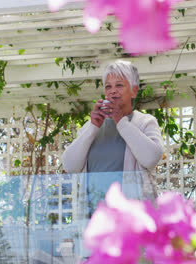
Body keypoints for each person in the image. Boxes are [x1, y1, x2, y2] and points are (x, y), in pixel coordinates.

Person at [61, 60, 164, 205]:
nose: (113, 90)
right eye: (108, 86)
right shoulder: (90, 127)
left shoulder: (145, 122)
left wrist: (121, 121)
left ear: (134, 91)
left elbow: (151, 158)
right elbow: (70, 166)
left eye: (119, 85)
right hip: (96, 216)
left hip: (131, 217)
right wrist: (92, 127)